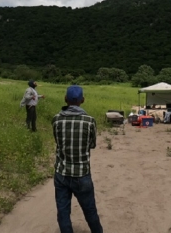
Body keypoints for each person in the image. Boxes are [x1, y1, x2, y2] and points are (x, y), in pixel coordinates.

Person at [52, 85, 103, 233]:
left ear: (65, 99)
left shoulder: (56, 119)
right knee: (90, 211)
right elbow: (92, 145)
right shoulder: (89, 121)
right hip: (82, 174)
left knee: (63, 212)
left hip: (61, 173)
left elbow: (58, 142)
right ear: (83, 100)